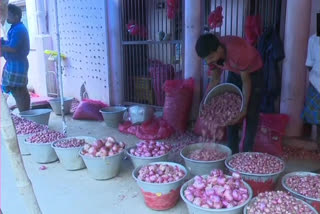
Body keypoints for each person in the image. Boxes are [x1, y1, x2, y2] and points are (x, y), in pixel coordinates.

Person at [195, 33, 263, 154]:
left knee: (251, 114)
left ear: (219, 49)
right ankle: (232, 152)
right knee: (231, 115)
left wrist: (244, 109)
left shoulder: (238, 51)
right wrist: (204, 101)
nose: (209, 61)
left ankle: (247, 153)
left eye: (210, 57)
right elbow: (215, 79)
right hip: (235, 71)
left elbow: (246, 81)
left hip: (253, 72)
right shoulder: (211, 56)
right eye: (206, 59)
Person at [1, 4, 30, 112]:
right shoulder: (15, 28)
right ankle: (25, 112)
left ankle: (25, 113)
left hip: (18, 64)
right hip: (14, 63)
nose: (6, 17)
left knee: (19, 90)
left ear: (16, 16)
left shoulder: (19, 29)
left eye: (8, 15)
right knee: (16, 89)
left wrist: (2, 46)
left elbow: (13, 48)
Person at [301, 33, 320, 148]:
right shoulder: (313, 39)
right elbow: (309, 64)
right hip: (316, 83)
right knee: (317, 120)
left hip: (316, 82)